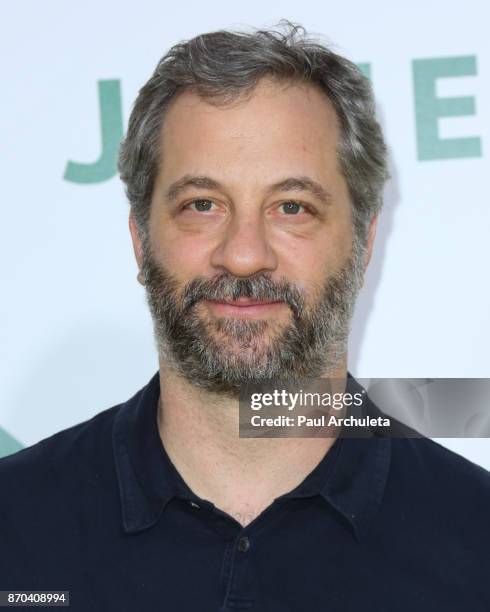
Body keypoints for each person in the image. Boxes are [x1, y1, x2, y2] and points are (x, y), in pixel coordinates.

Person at [0, 22, 488, 611]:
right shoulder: (15, 526)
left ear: (363, 245)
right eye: (202, 205)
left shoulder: (476, 543)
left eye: (292, 207)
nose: (244, 252)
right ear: (139, 240)